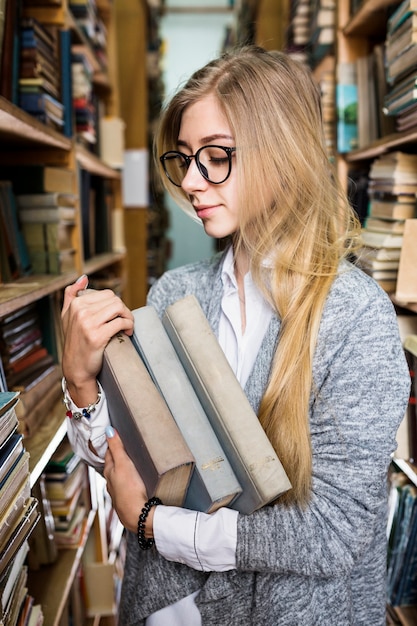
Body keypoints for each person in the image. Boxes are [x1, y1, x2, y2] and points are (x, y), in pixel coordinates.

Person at [61, 46, 410, 625]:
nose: (193, 182)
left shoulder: (356, 319)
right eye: (185, 159)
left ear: (282, 154)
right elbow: (132, 467)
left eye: (216, 157)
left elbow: (328, 532)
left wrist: (152, 524)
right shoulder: (175, 294)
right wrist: (82, 386)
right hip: (168, 611)